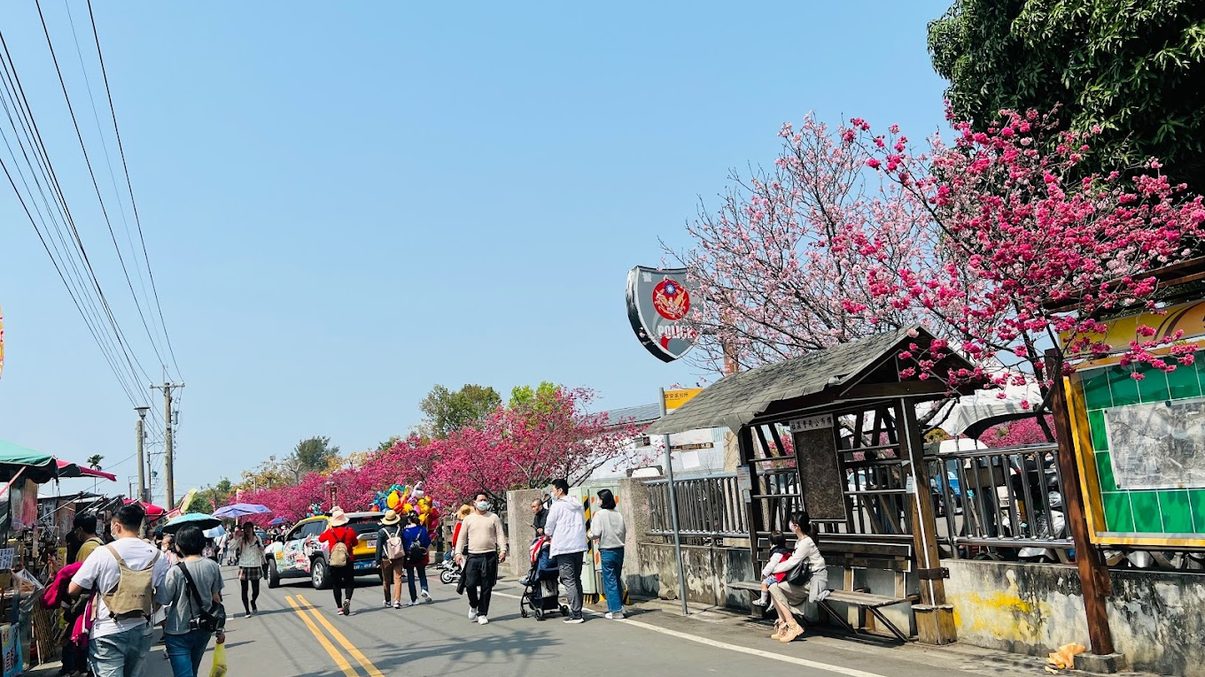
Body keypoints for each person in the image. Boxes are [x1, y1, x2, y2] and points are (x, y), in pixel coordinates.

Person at [69, 503, 170, 677]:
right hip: (141, 628)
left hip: (107, 629)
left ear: (117, 525)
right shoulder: (157, 555)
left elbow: (73, 589)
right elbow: (164, 596)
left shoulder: (103, 553)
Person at [154, 525, 225, 677]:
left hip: (178, 630)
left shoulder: (175, 571)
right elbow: (217, 600)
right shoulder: (212, 566)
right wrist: (220, 629)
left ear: (179, 546)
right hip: (204, 628)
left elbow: (163, 599)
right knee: (193, 670)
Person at [767, 511, 828, 643]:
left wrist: (772, 570)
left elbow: (792, 562)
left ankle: (792, 625)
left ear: (796, 526)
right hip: (804, 580)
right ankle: (784, 624)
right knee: (773, 587)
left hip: (814, 581)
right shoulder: (800, 541)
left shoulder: (806, 542)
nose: (789, 525)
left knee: (774, 587)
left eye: (791, 523)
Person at [454, 494, 507, 625]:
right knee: (470, 584)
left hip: (489, 555)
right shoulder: (468, 519)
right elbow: (461, 537)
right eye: (480, 500)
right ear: (474, 502)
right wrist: (458, 553)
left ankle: (482, 613)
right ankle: (473, 604)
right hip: (473, 556)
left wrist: (503, 549)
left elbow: (500, 534)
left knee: (486, 586)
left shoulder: (493, 517)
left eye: (485, 500)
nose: (483, 502)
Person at [544, 479, 588, 624]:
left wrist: (547, 533)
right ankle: (578, 609)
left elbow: (549, 527)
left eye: (553, 489)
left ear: (560, 490)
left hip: (564, 547)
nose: (552, 492)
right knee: (576, 579)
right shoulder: (578, 505)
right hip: (578, 546)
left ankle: (576, 614)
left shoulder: (557, 507)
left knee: (568, 580)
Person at [589, 488, 627, 620]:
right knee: (616, 578)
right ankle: (620, 606)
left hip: (607, 550)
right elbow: (624, 531)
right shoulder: (618, 514)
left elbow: (595, 533)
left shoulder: (600, 515)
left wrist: (588, 535)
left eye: (599, 498)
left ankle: (616, 610)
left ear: (603, 500)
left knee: (610, 581)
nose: (597, 501)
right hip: (619, 549)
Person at [319, 507, 359, 616]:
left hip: (334, 562)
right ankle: (347, 599)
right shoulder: (349, 531)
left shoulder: (330, 531)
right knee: (349, 582)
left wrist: (328, 528)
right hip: (348, 560)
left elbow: (321, 539)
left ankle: (339, 608)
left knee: (336, 584)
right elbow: (355, 543)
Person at [233, 522, 265, 617]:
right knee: (244, 589)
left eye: (249, 528)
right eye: (245, 528)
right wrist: (236, 537)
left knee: (256, 590)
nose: (247, 530)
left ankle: (253, 601)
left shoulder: (257, 538)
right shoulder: (241, 540)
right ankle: (247, 610)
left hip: (255, 565)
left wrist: (260, 547)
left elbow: (262, 550)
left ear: (252, 528)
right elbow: (231, 548)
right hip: (244, 565)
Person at [753, 531, 791, 607]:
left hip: (779, 576)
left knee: (764, 584)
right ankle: (773, 603)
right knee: (772, 586)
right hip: (785, 575)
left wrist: (764, 573)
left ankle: (763, 600)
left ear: (771, 542)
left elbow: (771, 565)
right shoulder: (784, 550)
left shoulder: (777, 553)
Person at [376, 509, 404, 608]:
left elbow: (379, 547)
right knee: (398, 578)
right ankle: (397, 600)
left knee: (386, 580)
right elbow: (403, 542)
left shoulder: (381, 532)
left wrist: (377, 561)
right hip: (398, 556)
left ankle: (388, 600)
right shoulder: (399, 530)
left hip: (386, 558)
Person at [402, 512, 432, 606]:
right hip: (420, 555)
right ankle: (424, 589)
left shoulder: (404, 532)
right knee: (422, 574)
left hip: (409, 556)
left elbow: (402, 544)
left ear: (408, 519)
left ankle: (414, 599)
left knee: (410, 577)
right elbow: (427, 542)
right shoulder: (422, 529)